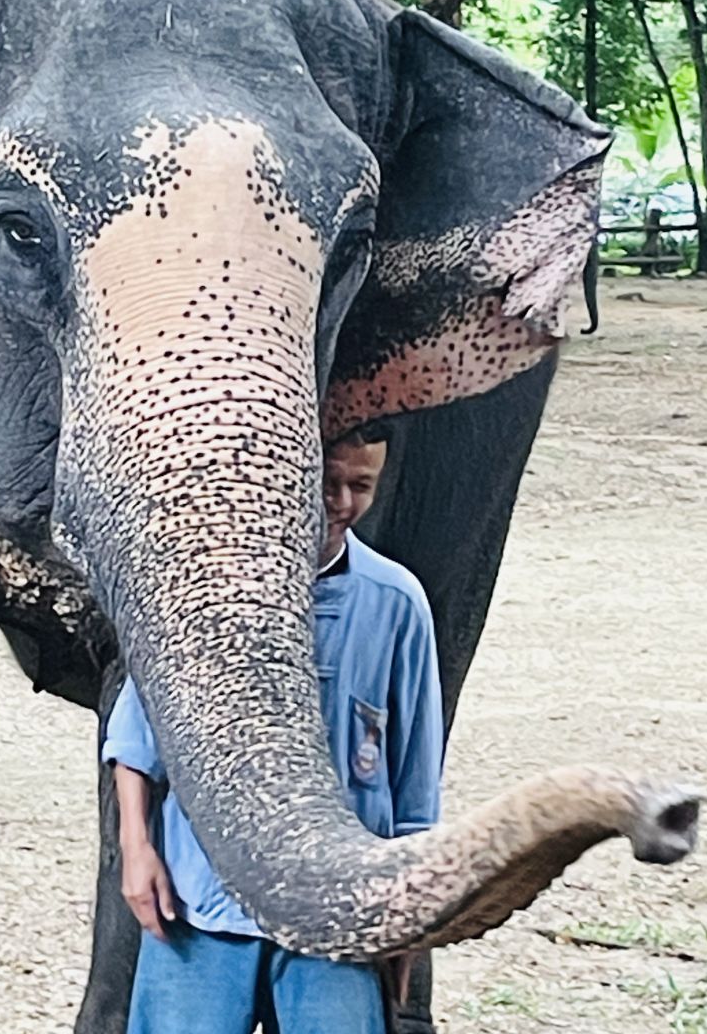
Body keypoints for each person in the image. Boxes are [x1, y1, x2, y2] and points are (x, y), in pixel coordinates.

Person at [104, 427, 443, 1034]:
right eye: (325, 482)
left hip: (339, 907)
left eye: (360, 486)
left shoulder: (397, 603)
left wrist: (404, 922)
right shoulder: (204, 581)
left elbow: (415, 787)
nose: (340, 503)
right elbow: (137, 737)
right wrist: (137, 848)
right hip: (201, 898)